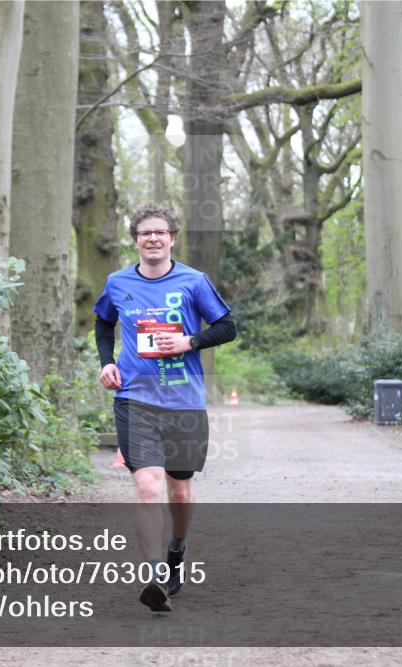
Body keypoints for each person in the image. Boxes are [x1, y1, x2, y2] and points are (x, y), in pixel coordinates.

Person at [93, 202, 237, 612]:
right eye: (144, 233)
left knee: (179, 489)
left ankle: (178, 548)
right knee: (148, 485)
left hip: (184, 403)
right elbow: (103, 322)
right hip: (135, 399)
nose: (152, 238)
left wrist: (189, 342)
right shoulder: (118, 282)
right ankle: (154, 574)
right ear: (135, 240)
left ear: (172, 238)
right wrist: (106, 362)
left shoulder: (194, 281)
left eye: (160, 232)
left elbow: (227, 327)